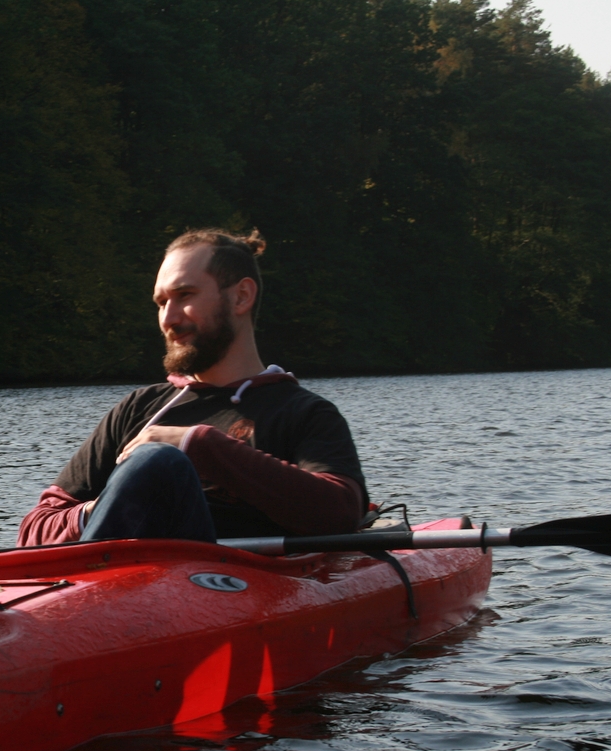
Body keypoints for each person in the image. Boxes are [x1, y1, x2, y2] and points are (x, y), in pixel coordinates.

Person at [18, 228, 366, 548]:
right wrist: (117, 504)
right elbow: (34, 529)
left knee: (158, 460)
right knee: (154, 464)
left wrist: (196, 444)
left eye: (185, 295)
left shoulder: (303, 413)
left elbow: (341, 514)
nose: (169, 319)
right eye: (161, 303)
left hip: (227, 582)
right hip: (119, 582)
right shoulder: (139, 409)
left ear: (241, 296)